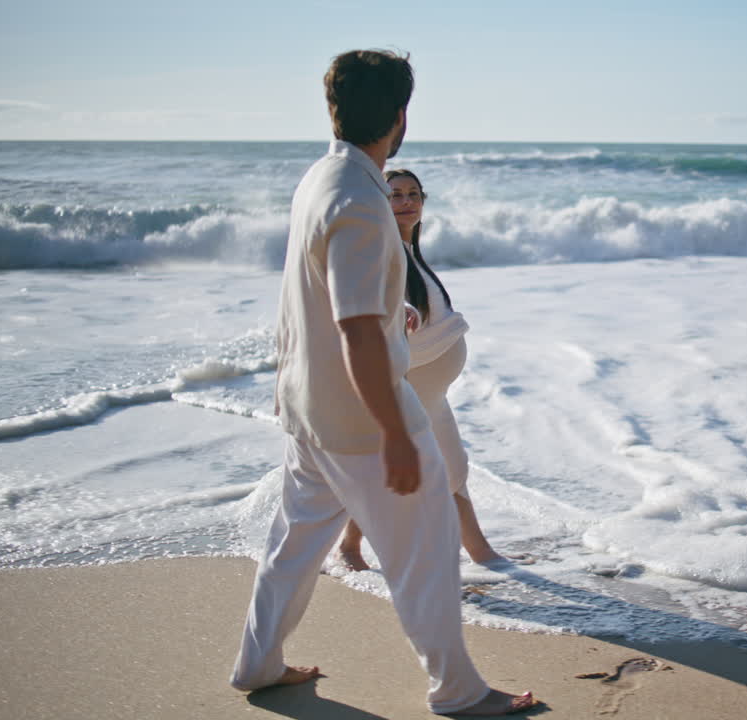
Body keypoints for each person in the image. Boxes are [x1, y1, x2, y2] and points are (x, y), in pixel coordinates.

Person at [229, 49, 535, 716]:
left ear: (332, 107)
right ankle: (458, 692)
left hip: (310, 408)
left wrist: (386, 313)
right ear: (400, 117)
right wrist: (396, 431)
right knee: (424, 554)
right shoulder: (361, 201)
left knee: (293, 545)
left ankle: (257, 663)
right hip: (364, 420)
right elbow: (357, 332)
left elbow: (327, 299)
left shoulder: (321, 178)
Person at [336, 168, 515, 570]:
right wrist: (395, 308)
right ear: (378, 203)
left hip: (432, 392)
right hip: (409, 386)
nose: (407, 202)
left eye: (414, 194)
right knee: (387, 474)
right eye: (395, 195)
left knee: (453, 470)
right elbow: (357, 297)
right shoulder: (380, 250)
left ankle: (481, 552)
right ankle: (350, 547)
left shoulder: (408, 249)